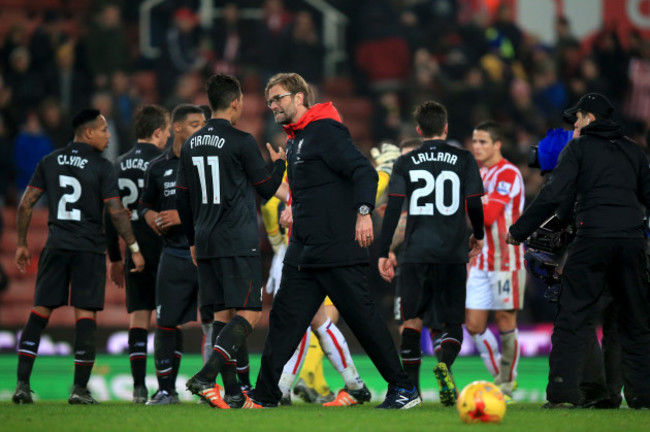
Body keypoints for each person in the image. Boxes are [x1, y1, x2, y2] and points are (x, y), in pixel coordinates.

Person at [249, 72, 421, 409]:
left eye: (279, 98)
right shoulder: (297, 139)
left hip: (336, 248)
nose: (273, 106)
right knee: (284, 321)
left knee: (365, 321)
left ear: (300, 97)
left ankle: (404, 388)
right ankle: (265, 395)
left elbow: (364, 172)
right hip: (304, 251)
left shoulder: (324, 130)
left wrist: (361, 212)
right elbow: (306, 191)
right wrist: (282, 185)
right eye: (269, 101)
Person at [506, 93, 650, 408]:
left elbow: (553, 193)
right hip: (632, 240)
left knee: (573, 317)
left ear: (589, 118)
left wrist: (519, 231)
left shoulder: (579, 148)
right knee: (636, 321)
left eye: (578, 118)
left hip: (594, 237)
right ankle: (642, 396)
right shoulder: (633, 151)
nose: (575, 124)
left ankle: (562, 394)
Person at [12, 108, 145, 405]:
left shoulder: (49, 160)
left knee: (39, 312)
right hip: (88, 249)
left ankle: (21, 385)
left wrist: (21, 244)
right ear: (88, 133)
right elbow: (113, 211)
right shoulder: (102, 166)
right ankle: (79, 389)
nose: (109, 136)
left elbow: (25, 205)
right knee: (85, 316)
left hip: (56, 244)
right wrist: (133, 248)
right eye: (103, 130)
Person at [177, 73, 286, 409]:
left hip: (206, 241)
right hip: (237, 239)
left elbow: (182, 199)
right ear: (236, 102)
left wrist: (193, 240)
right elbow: (267, 190)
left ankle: (235, 395)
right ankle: (207, 376)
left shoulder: (190, 143)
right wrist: (280, 163)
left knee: (223, 316)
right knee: (250, 313)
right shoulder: (242, 141)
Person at [378, 100, 485, 407]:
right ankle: (445, 364)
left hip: (415, 252)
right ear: (446, 127)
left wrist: (385, 251)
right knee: (451, 321)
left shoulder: (406, 162)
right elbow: (474, 203)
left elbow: (394, 207)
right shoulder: (464, 158)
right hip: (452, 251)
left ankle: (411, 390)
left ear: (419, 130)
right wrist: (477, 235)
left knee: (411, 319)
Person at [138, 104, 206, 405]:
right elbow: (144, 205)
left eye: (203, 124)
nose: (201, 130)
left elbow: (223, 207)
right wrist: (150, 217)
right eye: (194, 125)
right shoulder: (157, 167)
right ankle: (166, 389)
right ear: (176, 128)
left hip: (206, 256)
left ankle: (217, 389)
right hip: (174, 254)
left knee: (217, 323)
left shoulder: (210, 165)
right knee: (166, 323)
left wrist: (182, 216)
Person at [106, 105, 170, 404]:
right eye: (167, 130)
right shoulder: (164, 162)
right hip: (165, 249)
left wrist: (116, 258)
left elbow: (111, 215)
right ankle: (166, 387)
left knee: (138, 318)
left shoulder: (117, 164)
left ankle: (138, 387)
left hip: (133, 250)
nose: (169, 136)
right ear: (158, 132)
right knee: (169, 320)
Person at [465, 120, 525, 400]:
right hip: (480, 260)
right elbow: (479, 212)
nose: (477, 147)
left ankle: (505, 384)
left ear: (497, 144)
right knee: (474, 325)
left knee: (504, 320)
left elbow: (487, 217)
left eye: (483, 142)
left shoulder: (508, 174)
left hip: (506, 259)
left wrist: (466, 201)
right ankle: (500, 376)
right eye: (474, 142)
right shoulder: (476, 174)